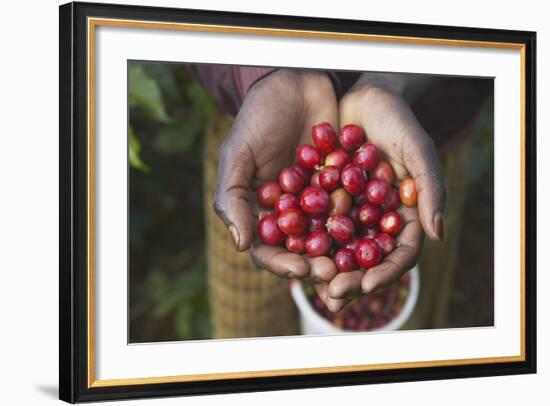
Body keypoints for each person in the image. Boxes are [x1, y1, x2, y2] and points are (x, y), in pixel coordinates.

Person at [192, 65, 489, 315]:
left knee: (415, 309)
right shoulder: (289, 181)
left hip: (418, 138)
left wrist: (390, 76)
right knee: (249, 317)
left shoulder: (353, 190)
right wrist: (263, 73)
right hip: (264, 141)